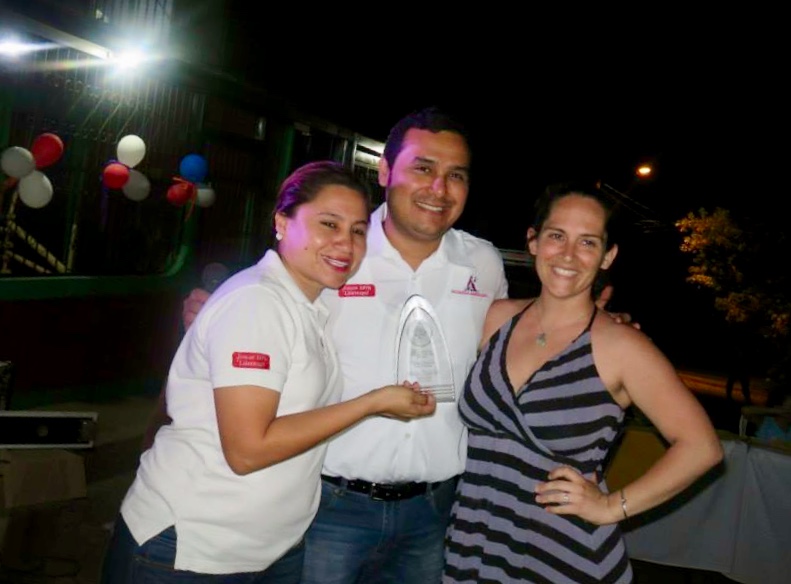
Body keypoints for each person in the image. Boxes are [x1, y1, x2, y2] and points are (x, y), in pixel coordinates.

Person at [177, 109, 632, 583]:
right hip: (330, 505)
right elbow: (267, 304)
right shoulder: (335, 248)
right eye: (423, 168)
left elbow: (515, 332)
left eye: (455, 175)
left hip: (436, 512)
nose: (439, 188)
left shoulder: (483, 261)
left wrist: (594, 326)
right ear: (385, 171)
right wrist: (212, 307)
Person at [100, 161, 436, 583]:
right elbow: (247, 451)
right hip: (191, 546)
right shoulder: (259, 302)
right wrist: (372, 403)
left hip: (269, 548)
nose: (345, 244)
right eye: (328, 223)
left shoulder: (309, 304)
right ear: (281, 221)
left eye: (357, 230)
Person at [443, 182, 724, 583]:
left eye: (588, 242)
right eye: (557, 235)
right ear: (534, 241)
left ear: (607, 256)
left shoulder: (621, 345)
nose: (568, 255)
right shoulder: (497, 319)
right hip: (477, 540)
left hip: (563, 556)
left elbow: (702, 447)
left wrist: (612, 508)